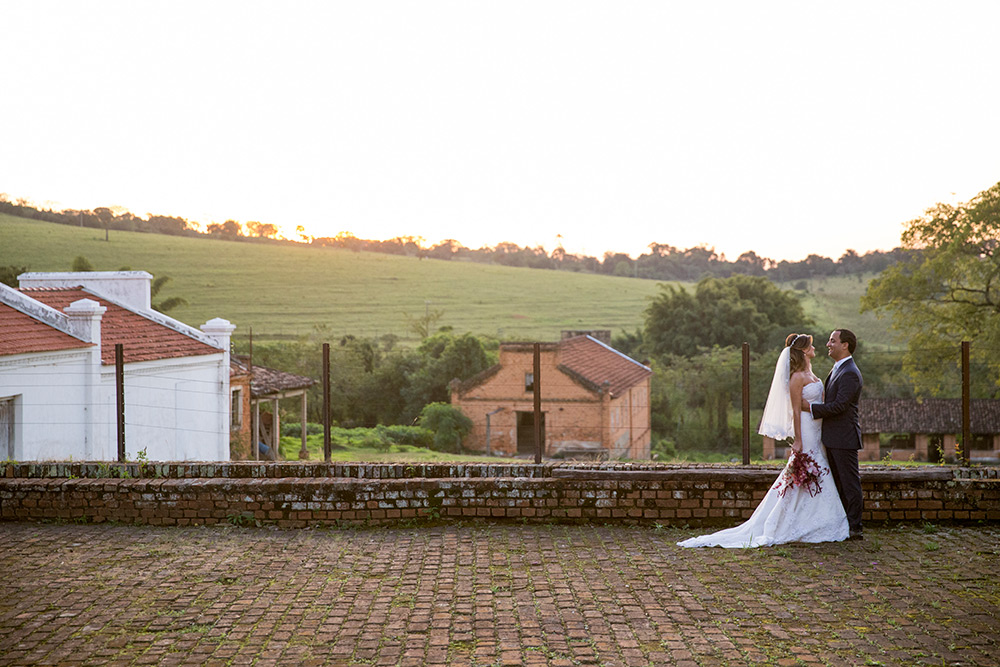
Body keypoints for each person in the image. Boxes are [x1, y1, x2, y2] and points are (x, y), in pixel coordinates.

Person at [677, 333, 848, 548]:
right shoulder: (797, 377)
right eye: (811, 346)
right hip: (806, 428)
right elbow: (795, 410)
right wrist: (798, 439)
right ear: (804, 351)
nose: (816, 348)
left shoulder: (811, 374)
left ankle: (819, 518)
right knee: (805, 470)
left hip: (818, 427)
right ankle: (789, 520)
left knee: (818, 469)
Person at [807, 329, 864, 540]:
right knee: (838, 483)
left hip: (844, 437)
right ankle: (843, 524)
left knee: (849, 483)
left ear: (845, 345)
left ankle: (855, 527)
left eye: (832, 340)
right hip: (833, 437)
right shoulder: (839, 368)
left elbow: (840, 405)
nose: (828, 344)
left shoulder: (849, 372)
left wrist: (811, 408)